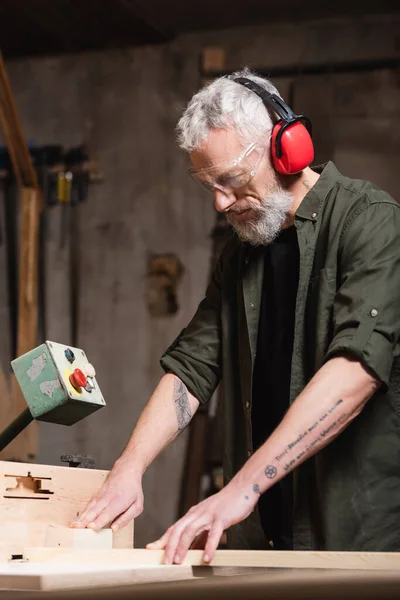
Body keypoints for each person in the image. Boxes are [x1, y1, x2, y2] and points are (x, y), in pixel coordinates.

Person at [72, 68, 400, 564]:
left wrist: (242, 488)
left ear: (284, 148)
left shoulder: (370, 221)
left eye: (231, 181)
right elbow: (192, 367)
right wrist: (128, 469)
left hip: (355, 544)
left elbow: (354, 373)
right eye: (209, 185)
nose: (220, 202)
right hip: (262, 541)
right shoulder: (241, 253)